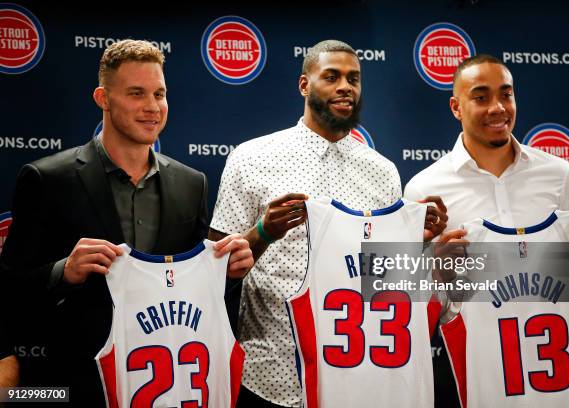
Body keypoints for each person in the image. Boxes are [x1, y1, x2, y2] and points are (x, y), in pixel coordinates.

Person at [0, 39, 253, 407]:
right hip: (78, 388)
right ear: (102, 98)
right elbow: (9, 291)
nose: (152, 107)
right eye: (137, 93)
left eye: (159, 94)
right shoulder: (46, 179)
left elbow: (196, 293)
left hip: (167, 386)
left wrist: (228, 275)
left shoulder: (191, 183)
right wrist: (63, 272)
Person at [209, 39, 447, 408]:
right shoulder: (252, 157)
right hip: (271, 374)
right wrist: (262, 234)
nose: (345, 87)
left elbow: (383, 279)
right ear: (305, 85)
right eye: (331, 76)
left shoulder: (382, 172)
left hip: (358, 376)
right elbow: (213, 269)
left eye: (354, 79)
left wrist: (417, 243)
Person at [404, 54, 569, 406]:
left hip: (555, 370)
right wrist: (437, 271)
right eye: (481, 97)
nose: (498, 108)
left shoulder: (558, 174)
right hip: (474, 370)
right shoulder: (423, 189)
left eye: (506, 94)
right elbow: (411, 305)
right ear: (456, 107)